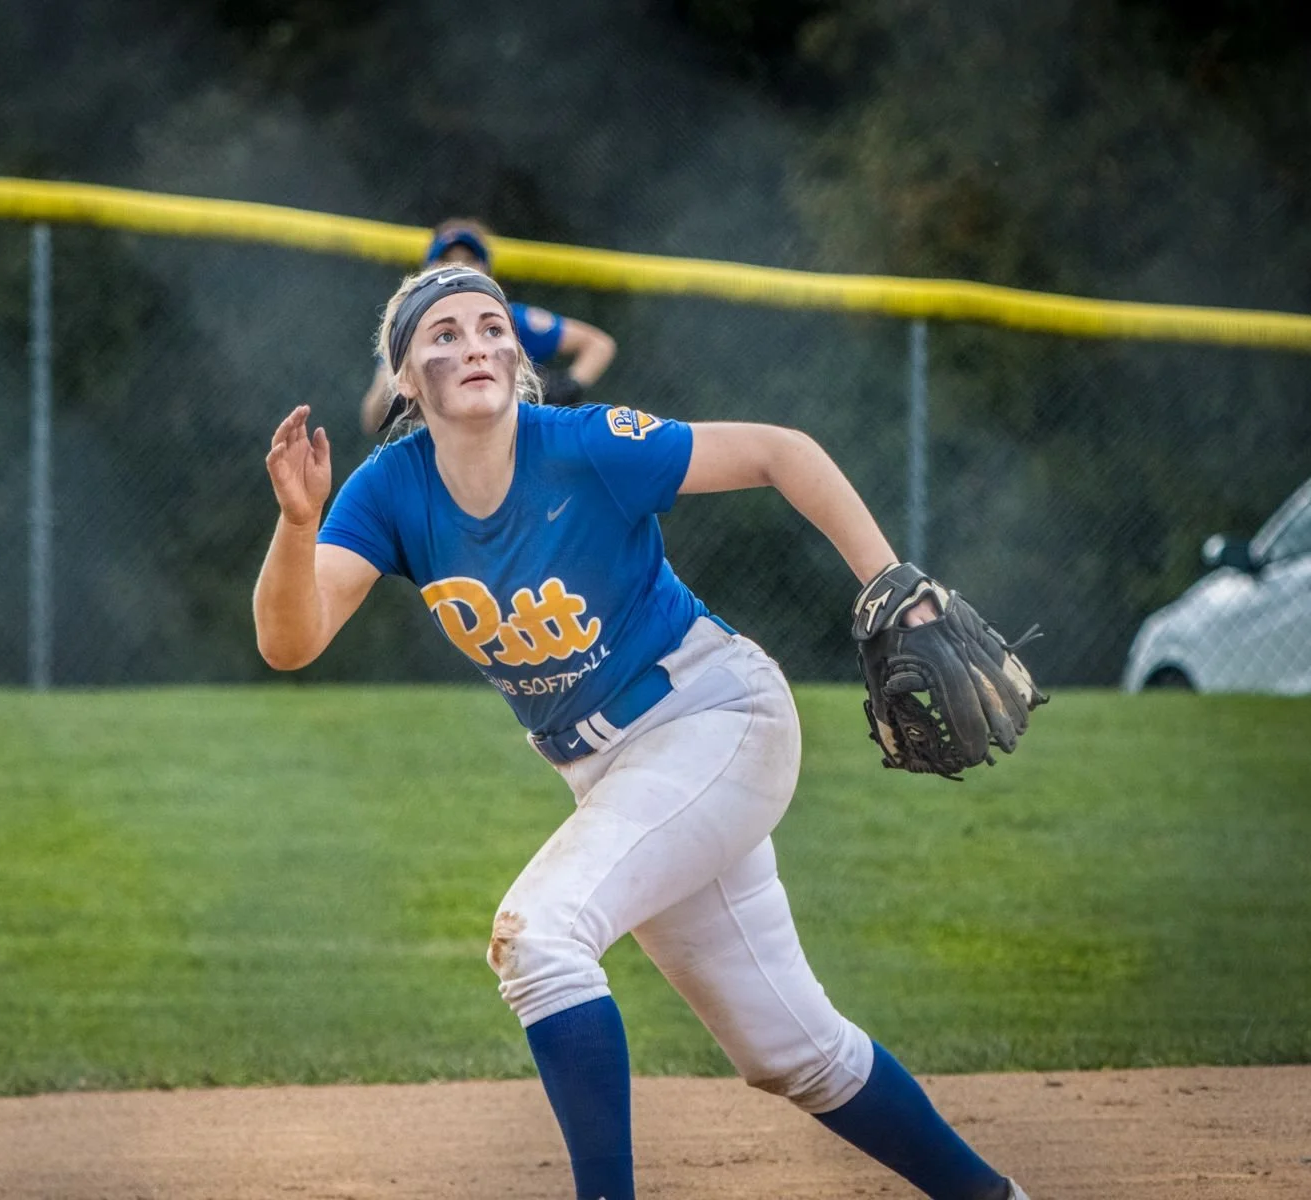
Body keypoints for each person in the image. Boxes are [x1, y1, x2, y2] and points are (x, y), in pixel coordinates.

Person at [255, 263, 1031, 1200]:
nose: (476, 345)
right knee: (795, 1052)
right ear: (406, 382)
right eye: (444, 334)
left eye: (492, 326)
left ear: (520, 357)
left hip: (713, 717)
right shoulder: (389, 491)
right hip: (615, 774)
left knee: (539, 940)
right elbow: (290, 642)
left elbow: (782, 452)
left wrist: (893, 587)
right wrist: (298, 526)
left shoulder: (583, 446)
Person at [359, 219, 617, 434]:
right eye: (447, 259)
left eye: (470, 259)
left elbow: (598, 344)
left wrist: (565, 386)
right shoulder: (412, 333)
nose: (459, 267)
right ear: (427, 270)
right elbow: (372, 419)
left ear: (487, 270)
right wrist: (397, 377)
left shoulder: (509, 321)